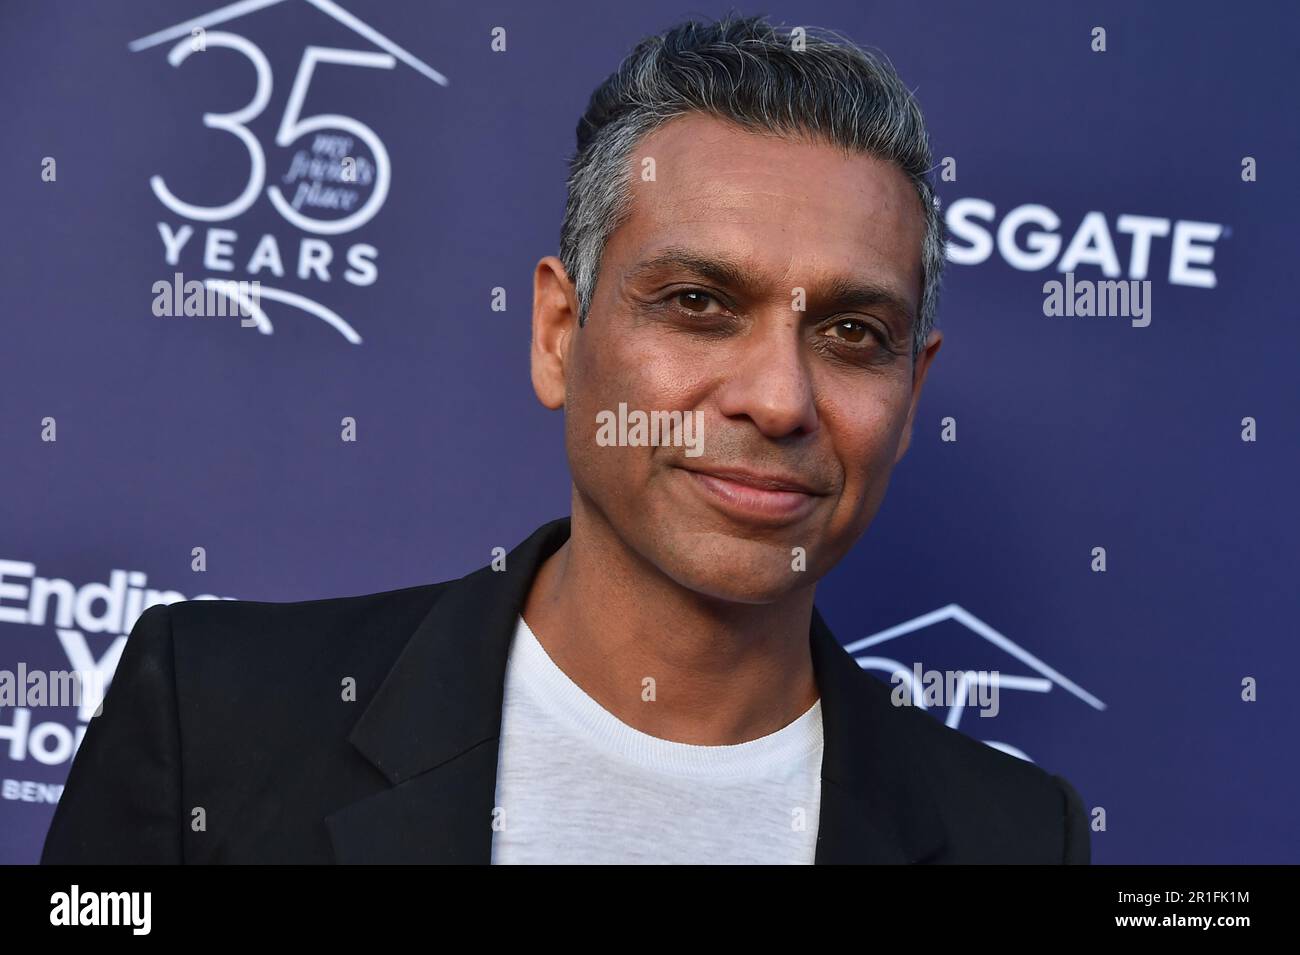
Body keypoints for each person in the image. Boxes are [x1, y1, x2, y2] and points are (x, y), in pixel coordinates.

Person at [42, 13, 1089, 864]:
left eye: (853, 334)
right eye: (698, 302)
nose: (778, 400)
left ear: (911, 393)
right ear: (558, 334)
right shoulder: (215, 720)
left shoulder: (1014, 837)